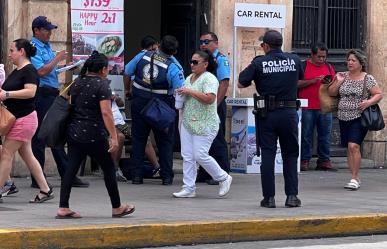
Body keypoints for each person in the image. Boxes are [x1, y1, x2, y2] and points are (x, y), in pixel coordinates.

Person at [56, 51, 135, 219]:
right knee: (108, 169)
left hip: (75, 132)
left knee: (70, 169)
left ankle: (63, 207)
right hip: (94, 134)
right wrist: (114, 137)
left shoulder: (77, 82)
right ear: (103, 69)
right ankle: (117, 207)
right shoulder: (102, 85)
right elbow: (106, 113)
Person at [238, 30, 304, 208]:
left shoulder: (259, 62)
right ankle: (292, 196)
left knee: (267, 154)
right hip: (289, 114)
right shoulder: (295, 60)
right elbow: (299, 78)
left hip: (268, 114)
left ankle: (269, 198)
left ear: (265, 46)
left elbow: (241, 82)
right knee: (290, 154)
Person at [30, 16, 89, 188]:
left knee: (57, 133)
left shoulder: (47, 47)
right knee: (41, 136)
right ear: (37, 31)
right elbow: (41, 71)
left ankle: (67, 174)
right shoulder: (34, 48)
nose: (49, 33)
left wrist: (67, 65)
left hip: (52, 93)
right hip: (42, 94)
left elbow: (50, 70)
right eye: (46, 30)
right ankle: (38, 178)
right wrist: (58, 59)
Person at [124, 35, 184, 185]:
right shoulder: (173, 66)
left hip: (139, 102)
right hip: (161, 106)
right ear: (174, 51)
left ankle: (137, 176)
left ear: (158, 45)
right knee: (165, 141)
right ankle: (166, 176)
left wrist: (128, 90)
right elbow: (180, 89)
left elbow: (127, 71)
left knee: (138, 139)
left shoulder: (142, 56)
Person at [172, 50, 232, 198]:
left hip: (205, 123)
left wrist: (189, 91)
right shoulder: (189, 78)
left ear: (205, 64)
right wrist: (180, 94)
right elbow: (186, 97)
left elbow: (210, 98)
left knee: (200, 154)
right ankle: (188, 187)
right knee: (187, 156)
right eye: (191, 61)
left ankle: (223, 177)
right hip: (188, 122)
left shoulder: (210, 79)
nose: (192, 65)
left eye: (195, 62)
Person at [0, 39, 53, 203]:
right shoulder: (18, 71)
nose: (9, 54)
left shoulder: (29, 70)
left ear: (21, 51)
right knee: (28, 155)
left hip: (23, 119)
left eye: (12, 51)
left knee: (6, 154)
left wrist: (7, 95)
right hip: (21, 118)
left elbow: (31, 92)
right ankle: (45, 189)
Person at [328, 49, 382, 191]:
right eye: (349, 60)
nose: (349, 63)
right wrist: (338, 82)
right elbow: (331, 92)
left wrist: (368, 103)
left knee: (354, 146)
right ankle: (355, 177)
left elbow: (378, 94)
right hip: (343, 116)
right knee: (349, 148)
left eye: (353, 60)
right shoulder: (341, 75)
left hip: (359, 116)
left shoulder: (367, 78)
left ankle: (354, 177)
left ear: (360, 63)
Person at [197, 32, 230, 185]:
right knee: (203, 139)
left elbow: (224, 83)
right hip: (203, 103)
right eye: (201, 42)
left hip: (215, 103)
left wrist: (215, 104)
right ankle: (204, 172)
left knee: (217, 138)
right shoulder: (202, 60)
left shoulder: (220, 60)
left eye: (206, 41)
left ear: (215, 43)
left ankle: (221, 173)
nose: (203, 44)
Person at [297, 42, 337, 171]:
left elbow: (334, 86)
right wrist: (313, 81)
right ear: (312, 55)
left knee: (325, 135)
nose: (321, 59)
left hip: (325, 106)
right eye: (319, 56)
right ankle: (304, 160)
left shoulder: (329, 67)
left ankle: (324, 160)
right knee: (306, 135)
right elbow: (295, 84)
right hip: (307, 106)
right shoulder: (303, 66)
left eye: (324, 57)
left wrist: (330, 83)